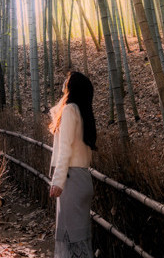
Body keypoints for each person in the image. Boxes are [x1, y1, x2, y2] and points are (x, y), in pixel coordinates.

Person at [48, 71, 96, 258]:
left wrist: (58, 181)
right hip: (83, 179)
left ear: (72, 86)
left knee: (70, 237)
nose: (64, 82)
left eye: (67, 80)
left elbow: (65, 149)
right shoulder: (83, 112)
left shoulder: (70, 110)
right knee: (79, 237)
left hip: (71, 180)